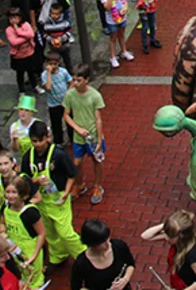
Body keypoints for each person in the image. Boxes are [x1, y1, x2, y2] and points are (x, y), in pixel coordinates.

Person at [21, 121, 86, 266]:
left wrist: (66, 193)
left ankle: (84, 256)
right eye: (34, 141)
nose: (38, 144)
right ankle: (58, 255)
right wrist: (36, 181)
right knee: (50, 233)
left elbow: (72, 174)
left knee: (65, 232)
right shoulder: (28, 157)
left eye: (40, 140)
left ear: (47, 137)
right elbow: (24, 178)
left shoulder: (59, 154)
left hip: (58, 198)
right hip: (40, 200)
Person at [64, 64, 106, 206]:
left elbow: (98, 119)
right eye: (74, 80)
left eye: (79, 80)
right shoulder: (70, 95)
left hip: (93, 136)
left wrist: (99, 139)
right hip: (78, 137)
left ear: (86, 80)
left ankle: (97, 186)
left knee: (97, 161)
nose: (75, 83)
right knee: (76, 163)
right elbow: (66, 115)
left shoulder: (95, 96)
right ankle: (79, 185)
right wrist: (77, 129)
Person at [142, 211, 196, 290]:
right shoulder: (176, 238)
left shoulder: (193, 253)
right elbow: (145, 236)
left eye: (170, 236)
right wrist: (167, 225)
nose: (166, 238)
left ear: (180, 236)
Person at [0, 176, 45, 289]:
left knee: (34, 281)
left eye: (14, 192)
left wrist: (34, 256)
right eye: (8, 192)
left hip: (30, 252)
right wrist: (2, 232)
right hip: (13, 250)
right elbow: (2, 223)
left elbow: (42, 233)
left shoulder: (30, 212)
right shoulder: (6, 206)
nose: (10, 196)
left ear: (23, 195)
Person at [71, 219, 137, 290]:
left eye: (108, 239)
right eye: (102, 242)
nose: (108, 244)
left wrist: (125, 279)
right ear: (92, 244)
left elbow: (130, 264)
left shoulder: (119, 246)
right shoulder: (81, 263)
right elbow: (76, 287)